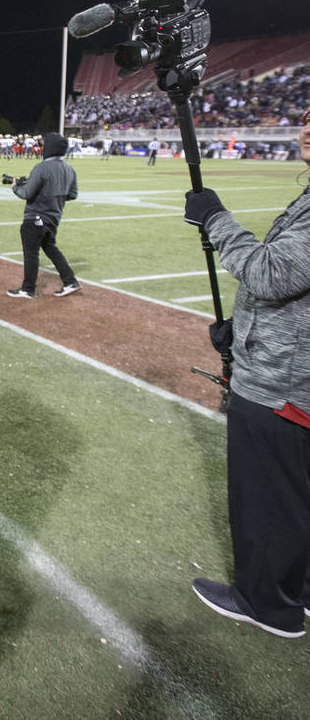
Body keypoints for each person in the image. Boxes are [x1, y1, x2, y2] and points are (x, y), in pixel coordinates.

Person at [183, 105, 310, 640]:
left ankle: (267, 604)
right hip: (291, 369)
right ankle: (297, 592)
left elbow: (273, 272)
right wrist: (241, 326)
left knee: (268, 496)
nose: (306, 127)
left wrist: (217, 218)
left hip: (284, 384)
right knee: (297, 495)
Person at [5, 132, 80, 298]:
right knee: (51, 248)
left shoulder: (42, 168)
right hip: (53, 218)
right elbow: (73, 194)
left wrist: (15, 186)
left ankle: (28, 289)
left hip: (36, 218)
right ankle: (70, 280)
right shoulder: (69, 169)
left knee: (31, 253)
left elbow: (26, 193)